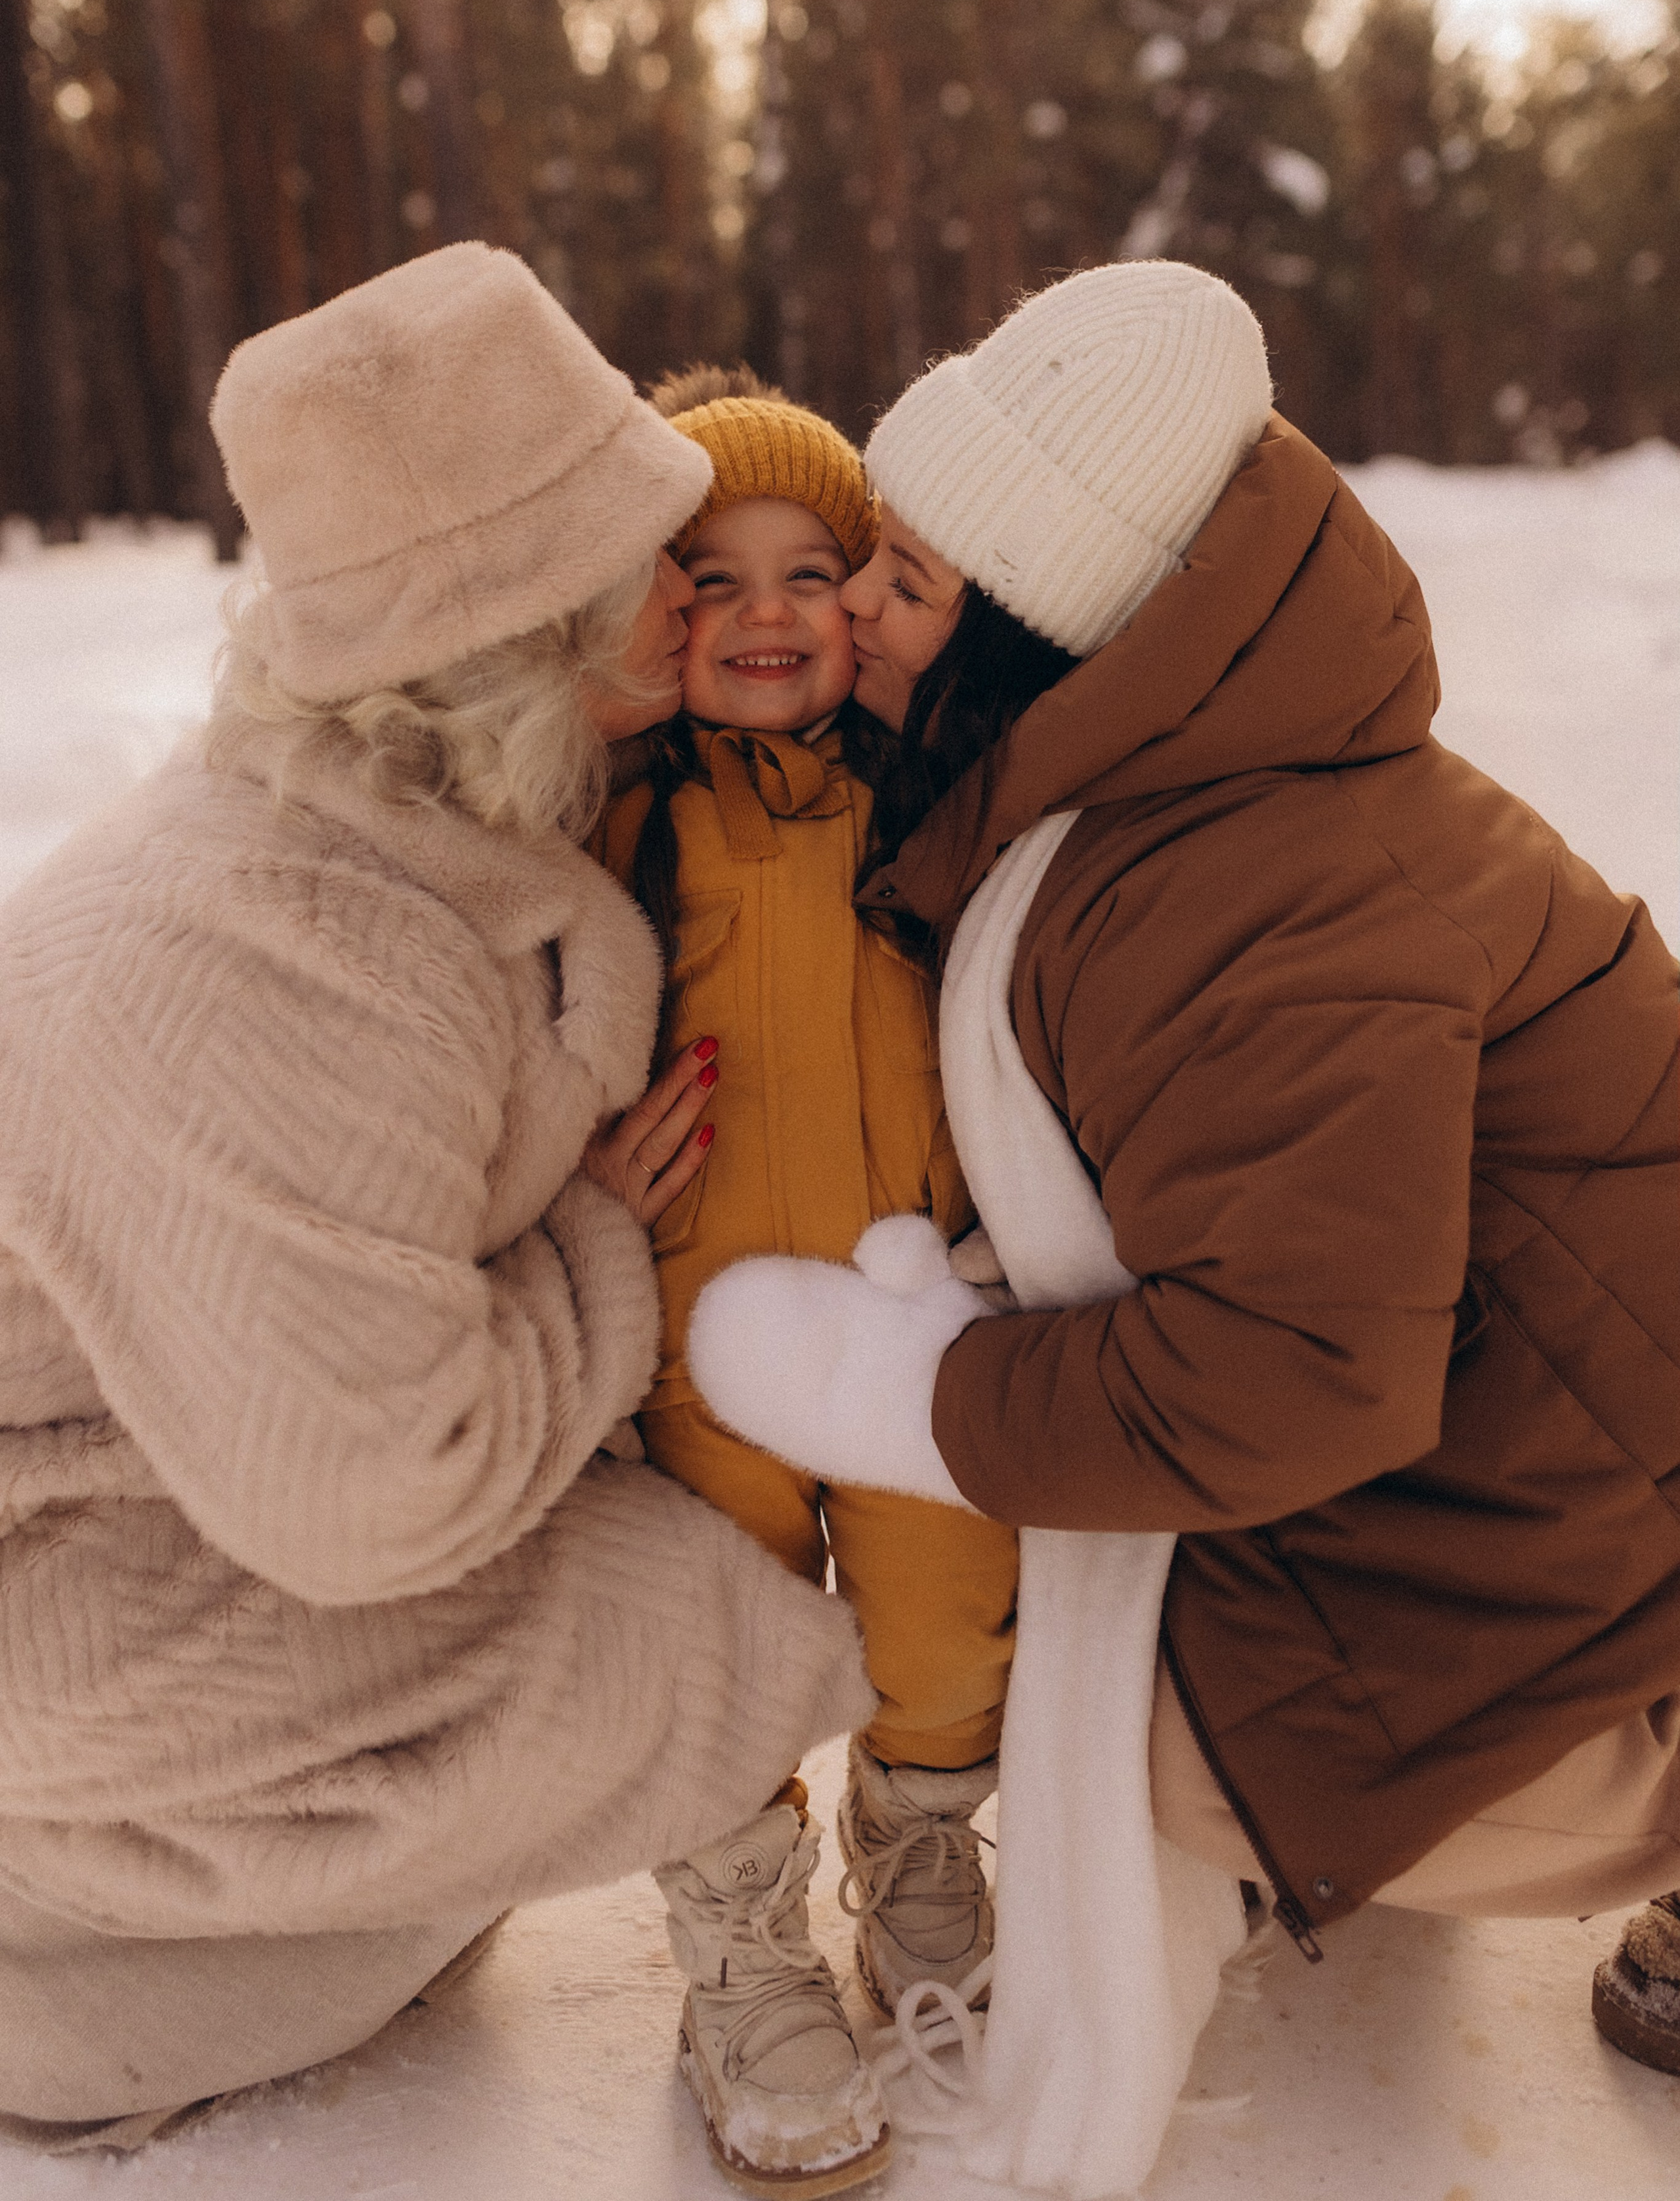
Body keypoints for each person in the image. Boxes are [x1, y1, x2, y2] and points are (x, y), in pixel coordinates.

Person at [686, 262, 1680, 2076]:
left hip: (1585, 1528)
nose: (858, 619)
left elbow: (1289, 1372)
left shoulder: (1261, 905)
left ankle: (1638, 1778)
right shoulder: (1192, 779)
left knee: (1115, 1728)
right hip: (1539, 1431)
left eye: (904, 583)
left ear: (1051, 629)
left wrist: (917, 1386)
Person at [0, 244, 872, 2148]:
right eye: (650, 545)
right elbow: (369, 1490)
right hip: (68, 1608)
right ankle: (84, 1955)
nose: (695, 568)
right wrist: (594, 1250)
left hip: (190, 1485)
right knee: (674, 1627)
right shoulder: (279, 966)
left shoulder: (425, 801)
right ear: (527, 622)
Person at [593, 369, 1018, 2195]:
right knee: (718, 1646)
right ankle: (744, 1949)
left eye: (809, 571)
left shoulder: (933, 804)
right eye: (714, 576)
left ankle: (921, 1854)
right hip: (699, 1344)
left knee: (944, 1622)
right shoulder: (627, 827)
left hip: (911, 1326)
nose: (766, 615)